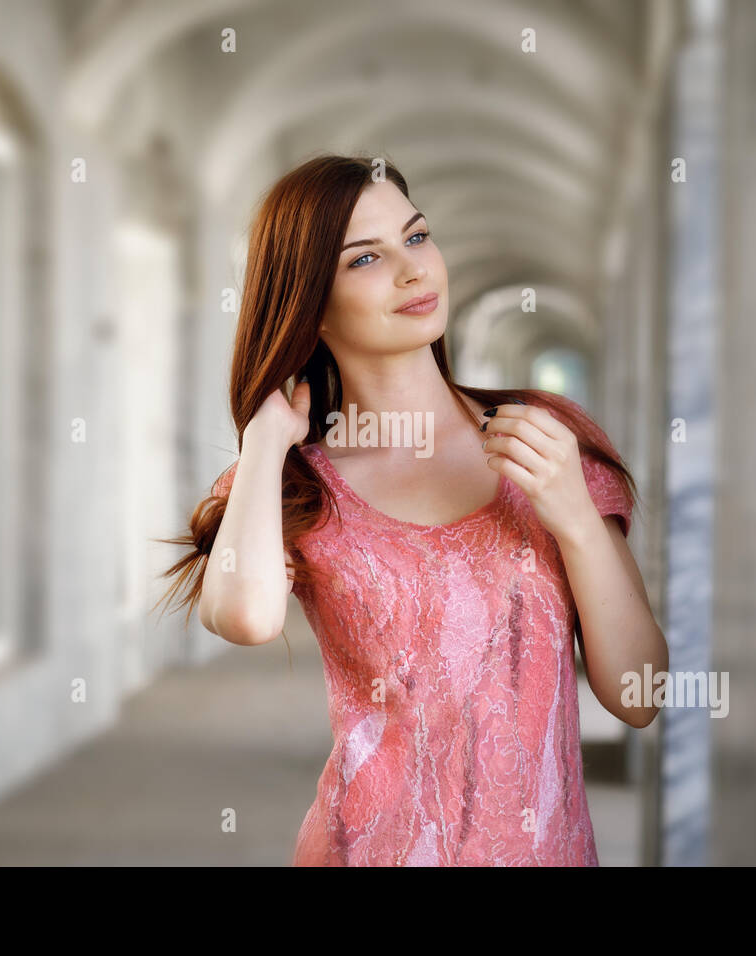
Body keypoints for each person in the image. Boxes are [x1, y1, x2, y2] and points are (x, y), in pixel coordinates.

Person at [159, 154, 668, 866]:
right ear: (310, 303)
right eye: (366, 258)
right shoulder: (292, 482)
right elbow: (245, 618)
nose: (412, 270)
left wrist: (575, 518)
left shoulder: (546, 437)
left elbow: (641, 696)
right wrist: (268, 438)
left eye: (418, 237)